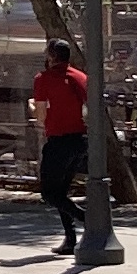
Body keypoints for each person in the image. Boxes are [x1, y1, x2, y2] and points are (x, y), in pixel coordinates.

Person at [32, 38, 88, 255]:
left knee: (49, 193)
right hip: (80, 140)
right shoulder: (81, 77)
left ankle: (86, 219)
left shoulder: (43, 79)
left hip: (58, 141)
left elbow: (40, 117)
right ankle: (70, 240)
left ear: (51, 56)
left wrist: (32, 107)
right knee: (62, 192)